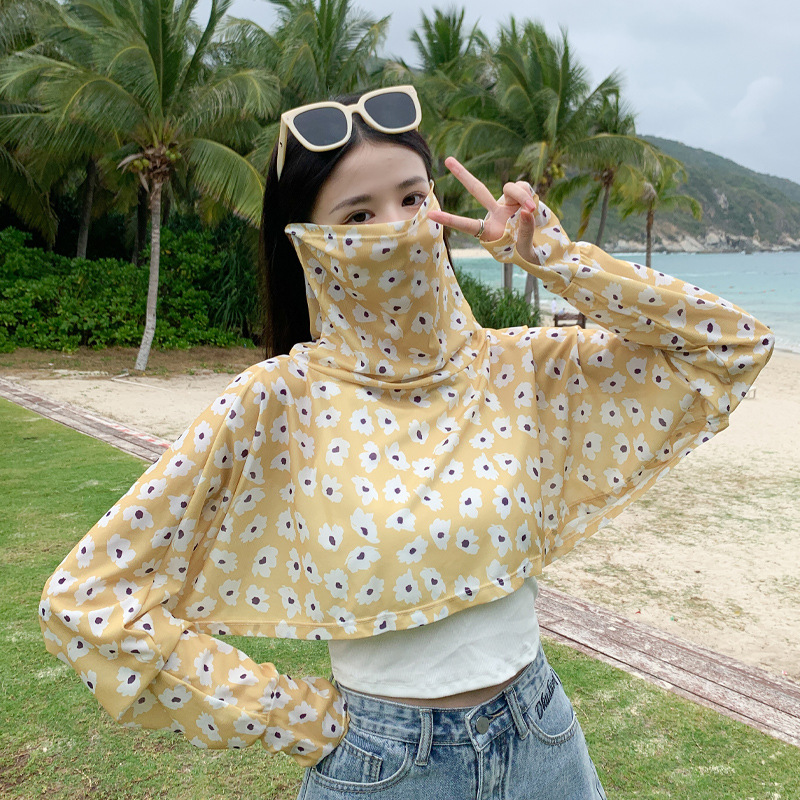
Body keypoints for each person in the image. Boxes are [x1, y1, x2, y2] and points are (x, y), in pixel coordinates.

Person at [40, 85, 774, 799]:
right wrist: (292, 717)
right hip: (385, 766)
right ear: (310, 241)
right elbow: (89, 599)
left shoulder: (518, 369)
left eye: (413, 199)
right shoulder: (278, 401)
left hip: (544, 738)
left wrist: (552, 256)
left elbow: (731, 347)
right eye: (359, 214)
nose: (398, 228)